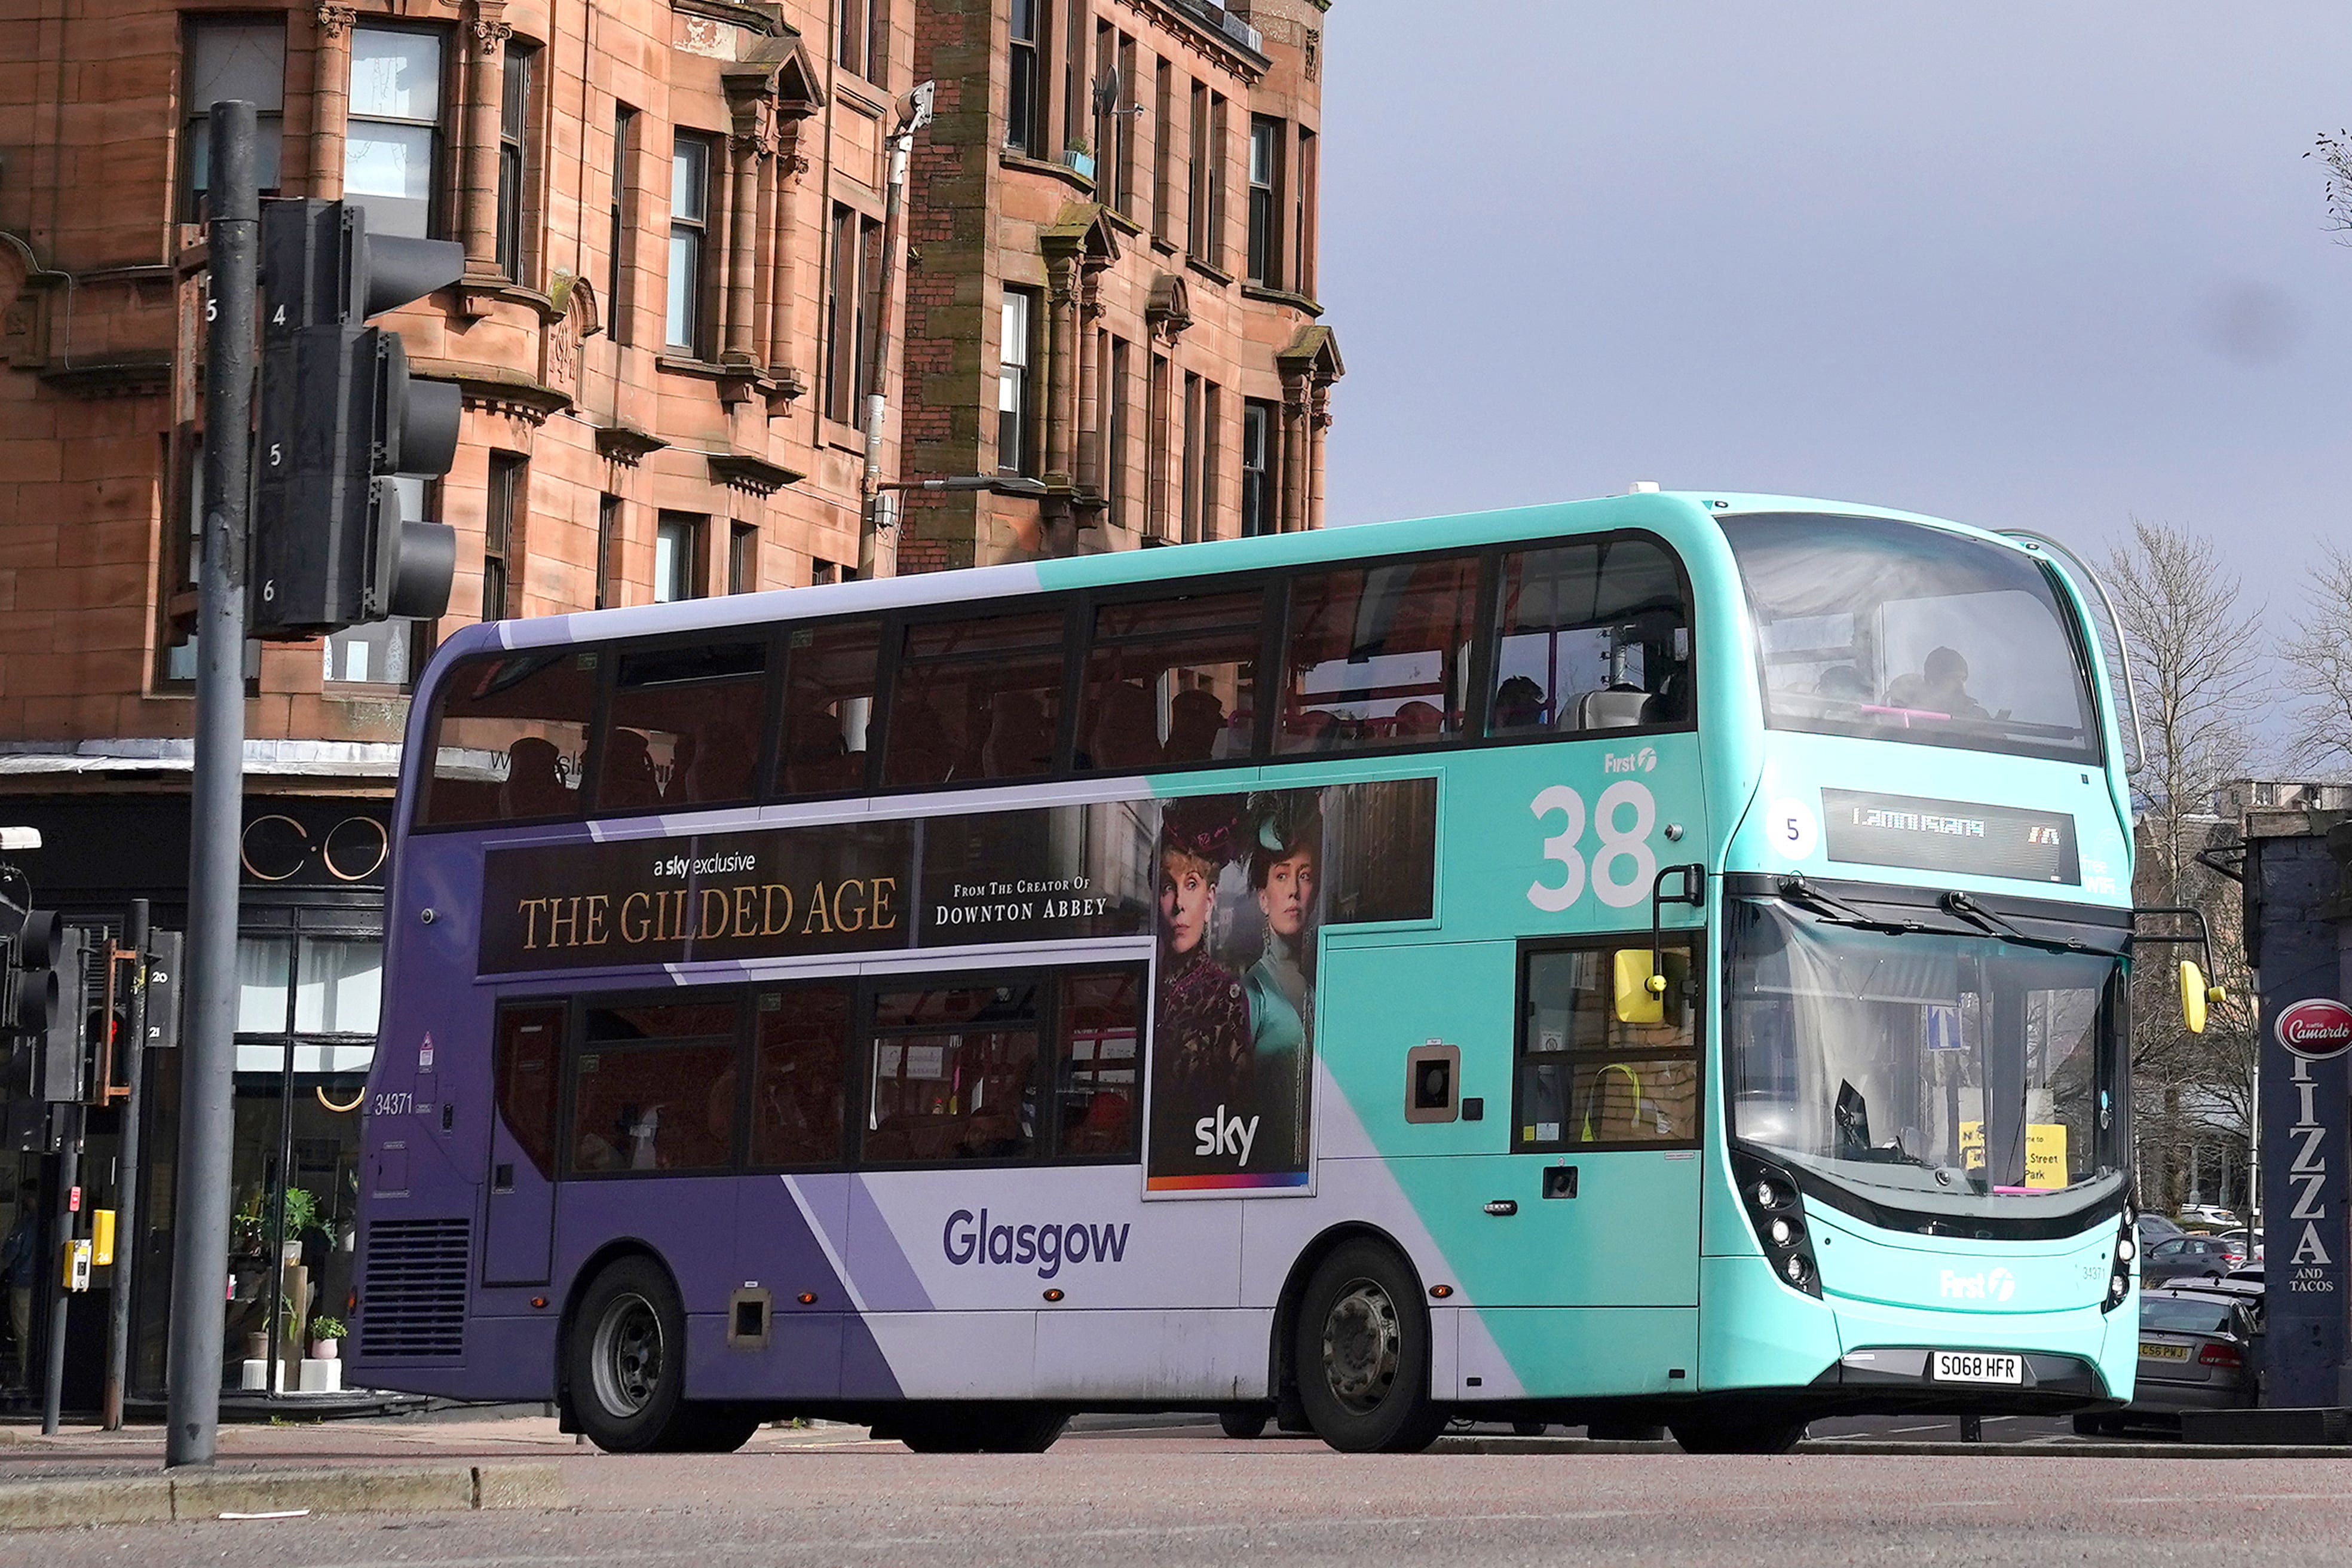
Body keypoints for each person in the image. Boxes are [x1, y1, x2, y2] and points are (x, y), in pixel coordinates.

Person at [1152, 797, 1251, 1164]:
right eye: (1167, 887)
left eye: (1190, 885)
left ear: (1209, 900)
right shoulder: (1137, 986)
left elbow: (1238, 1109)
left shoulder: (1225, 996)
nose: (1178, 903)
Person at [1242, 792, 1321, 1171]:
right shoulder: (1250, 993)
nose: (1293, 890)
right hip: (1265, 1168)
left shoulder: (1321, 990)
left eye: (1304, 876)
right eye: (1281, 875)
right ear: (1263, 897)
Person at [2, 1179, 39, 1389]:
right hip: (41, 1285)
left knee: (23, 1332)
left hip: (23, 1283)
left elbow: (10, 1253)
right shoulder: (50, 1222)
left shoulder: (26, 1224)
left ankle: (27, 1377)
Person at [1886, 647, 1986, 719]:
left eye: (1963, 679)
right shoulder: (1907, 714)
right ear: (1932, 681)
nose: (1960, 685)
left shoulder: (1977, 717)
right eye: (1952, 678)